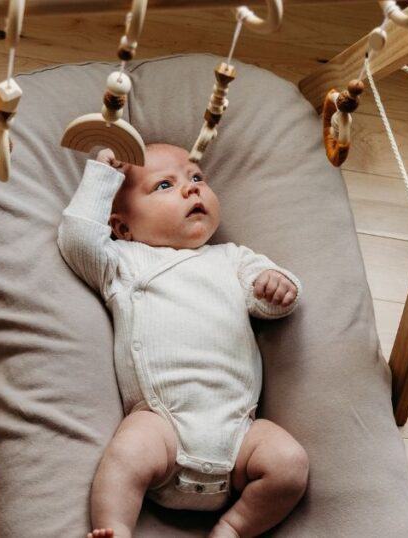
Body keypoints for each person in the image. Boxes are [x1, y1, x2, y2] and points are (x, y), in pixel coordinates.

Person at [57, 144, 308, 538]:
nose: (191, 190)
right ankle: (115, 528)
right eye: (164, 185)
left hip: (240, 434)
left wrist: (277, 287)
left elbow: (267, 300)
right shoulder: (125, 260)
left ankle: (233, 527)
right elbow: (77, 240)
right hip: (163, 428)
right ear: (123, 227)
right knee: (126, 454)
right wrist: (102, 176)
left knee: (290, 464)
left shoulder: (232, 258)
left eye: (195, 177)